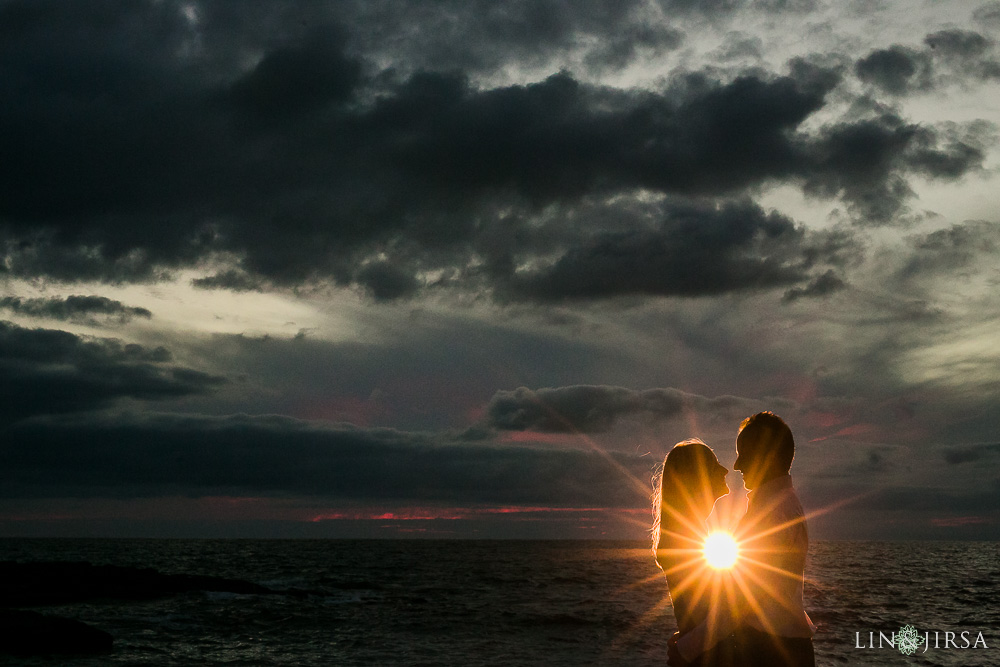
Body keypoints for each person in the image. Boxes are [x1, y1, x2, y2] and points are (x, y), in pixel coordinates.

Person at [674, 412, 815, 667]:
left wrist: (689, 647)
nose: (737, 465)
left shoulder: (771, 514)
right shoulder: (783, 506)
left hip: (770, 653)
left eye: (744, 453)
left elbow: (741, 601)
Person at [652, 439, 738, 666]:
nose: (725, 469)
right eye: (714, 464)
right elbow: (722, 611)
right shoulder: (685, 539)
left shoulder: (693, 534)